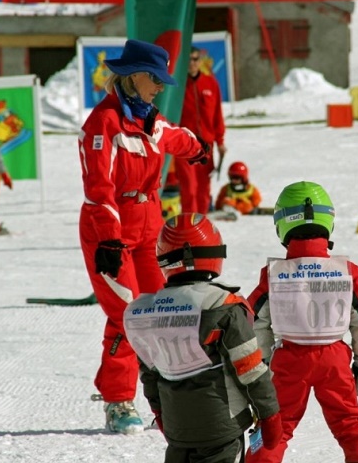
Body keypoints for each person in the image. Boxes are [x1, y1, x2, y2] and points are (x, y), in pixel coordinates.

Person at [78, 39, 210, 435]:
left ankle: (160, 397)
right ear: (135, 76)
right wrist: (109, 240)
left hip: (149, 228)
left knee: (159, 313)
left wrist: (197, 149)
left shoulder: (149, 118)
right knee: (127, 317)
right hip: (111, 231)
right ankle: (118, 401)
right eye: (156, 80)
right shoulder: (103, 124)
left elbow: (173, 136)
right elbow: (98, 189)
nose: (161, 87)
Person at [124, 213, 282, 461]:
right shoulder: (223, 305)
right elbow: (251, 369)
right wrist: (269, 414)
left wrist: (160, 413)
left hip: (177, 430)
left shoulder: (143, 312)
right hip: (221, 428)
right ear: (213, 255)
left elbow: (150, 375)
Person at [246, 181, 358, 463]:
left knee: (277, 426)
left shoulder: (273, 273)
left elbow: (256, 321)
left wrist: (264, 361)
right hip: (334, 358)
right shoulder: (348, 271)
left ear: (282, 222)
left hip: (290, 359)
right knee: (350, 423)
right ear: (327, 220)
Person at [174, 46, 227, 214]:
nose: (192, 63)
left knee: (203, 189)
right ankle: (190, 227)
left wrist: (220, 142)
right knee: (189, 188)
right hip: (184, 145)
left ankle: (202, 225)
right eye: (188, 60)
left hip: (206, 146)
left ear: (200, 61)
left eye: (195, 59)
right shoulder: (177, 86)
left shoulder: (211, 83)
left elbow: (217, 115)